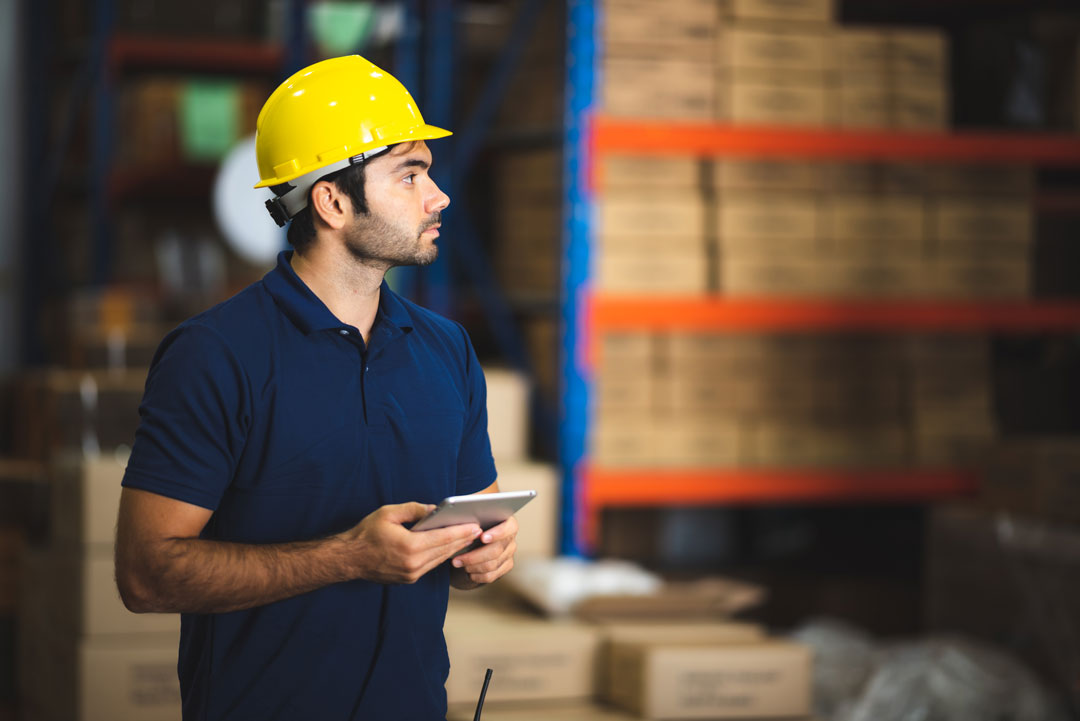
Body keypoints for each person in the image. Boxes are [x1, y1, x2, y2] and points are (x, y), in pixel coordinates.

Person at [114, 55, 518, 720]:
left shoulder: (447, 350)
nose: (438, 195)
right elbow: (145, 575)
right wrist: (349, 557)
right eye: (410, 174)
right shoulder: (215, 356)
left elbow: (467, 524)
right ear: (331, 201)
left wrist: (478, 552)